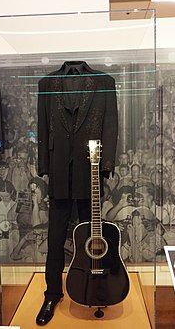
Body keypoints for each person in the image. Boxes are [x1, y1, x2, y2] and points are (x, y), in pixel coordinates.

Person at [36, 61, 118, 325]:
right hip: (59, 169)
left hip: (90, 170)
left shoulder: (104, 82)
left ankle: (93, 287)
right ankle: (53, 293)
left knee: (92, 238)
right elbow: (42, 126)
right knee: (54, 239)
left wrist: (105, 166)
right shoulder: (47, 84)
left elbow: (111, 124)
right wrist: (44, 166)